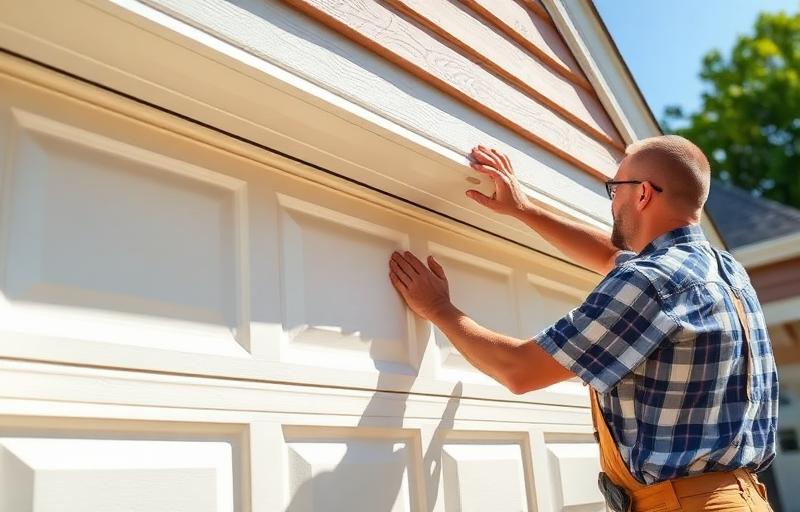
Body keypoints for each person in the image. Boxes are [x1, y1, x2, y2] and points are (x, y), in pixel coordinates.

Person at [387, 136, 778, 512]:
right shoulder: (725, 271)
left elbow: (519, 370)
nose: (612, 203)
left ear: (642, 194)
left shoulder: (651, 281)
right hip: (738, 498)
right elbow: (613, 257)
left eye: (615, 189)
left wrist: (438, 308)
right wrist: (523, 210)